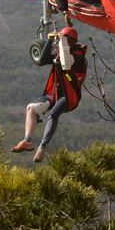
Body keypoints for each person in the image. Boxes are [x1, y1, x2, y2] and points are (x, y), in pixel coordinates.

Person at [11, 26, 87, 162]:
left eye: (62, 40)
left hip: (69, 95)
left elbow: (66, 63)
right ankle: (27, 140)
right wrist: (49, 41)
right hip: (54, 93)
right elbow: (41, 60)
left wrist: (62, 40)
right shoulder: (59, 52)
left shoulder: (78, 55)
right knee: (31, 108)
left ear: (70, 41)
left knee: (53, 115)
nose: (59, 42)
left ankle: (42, 148)